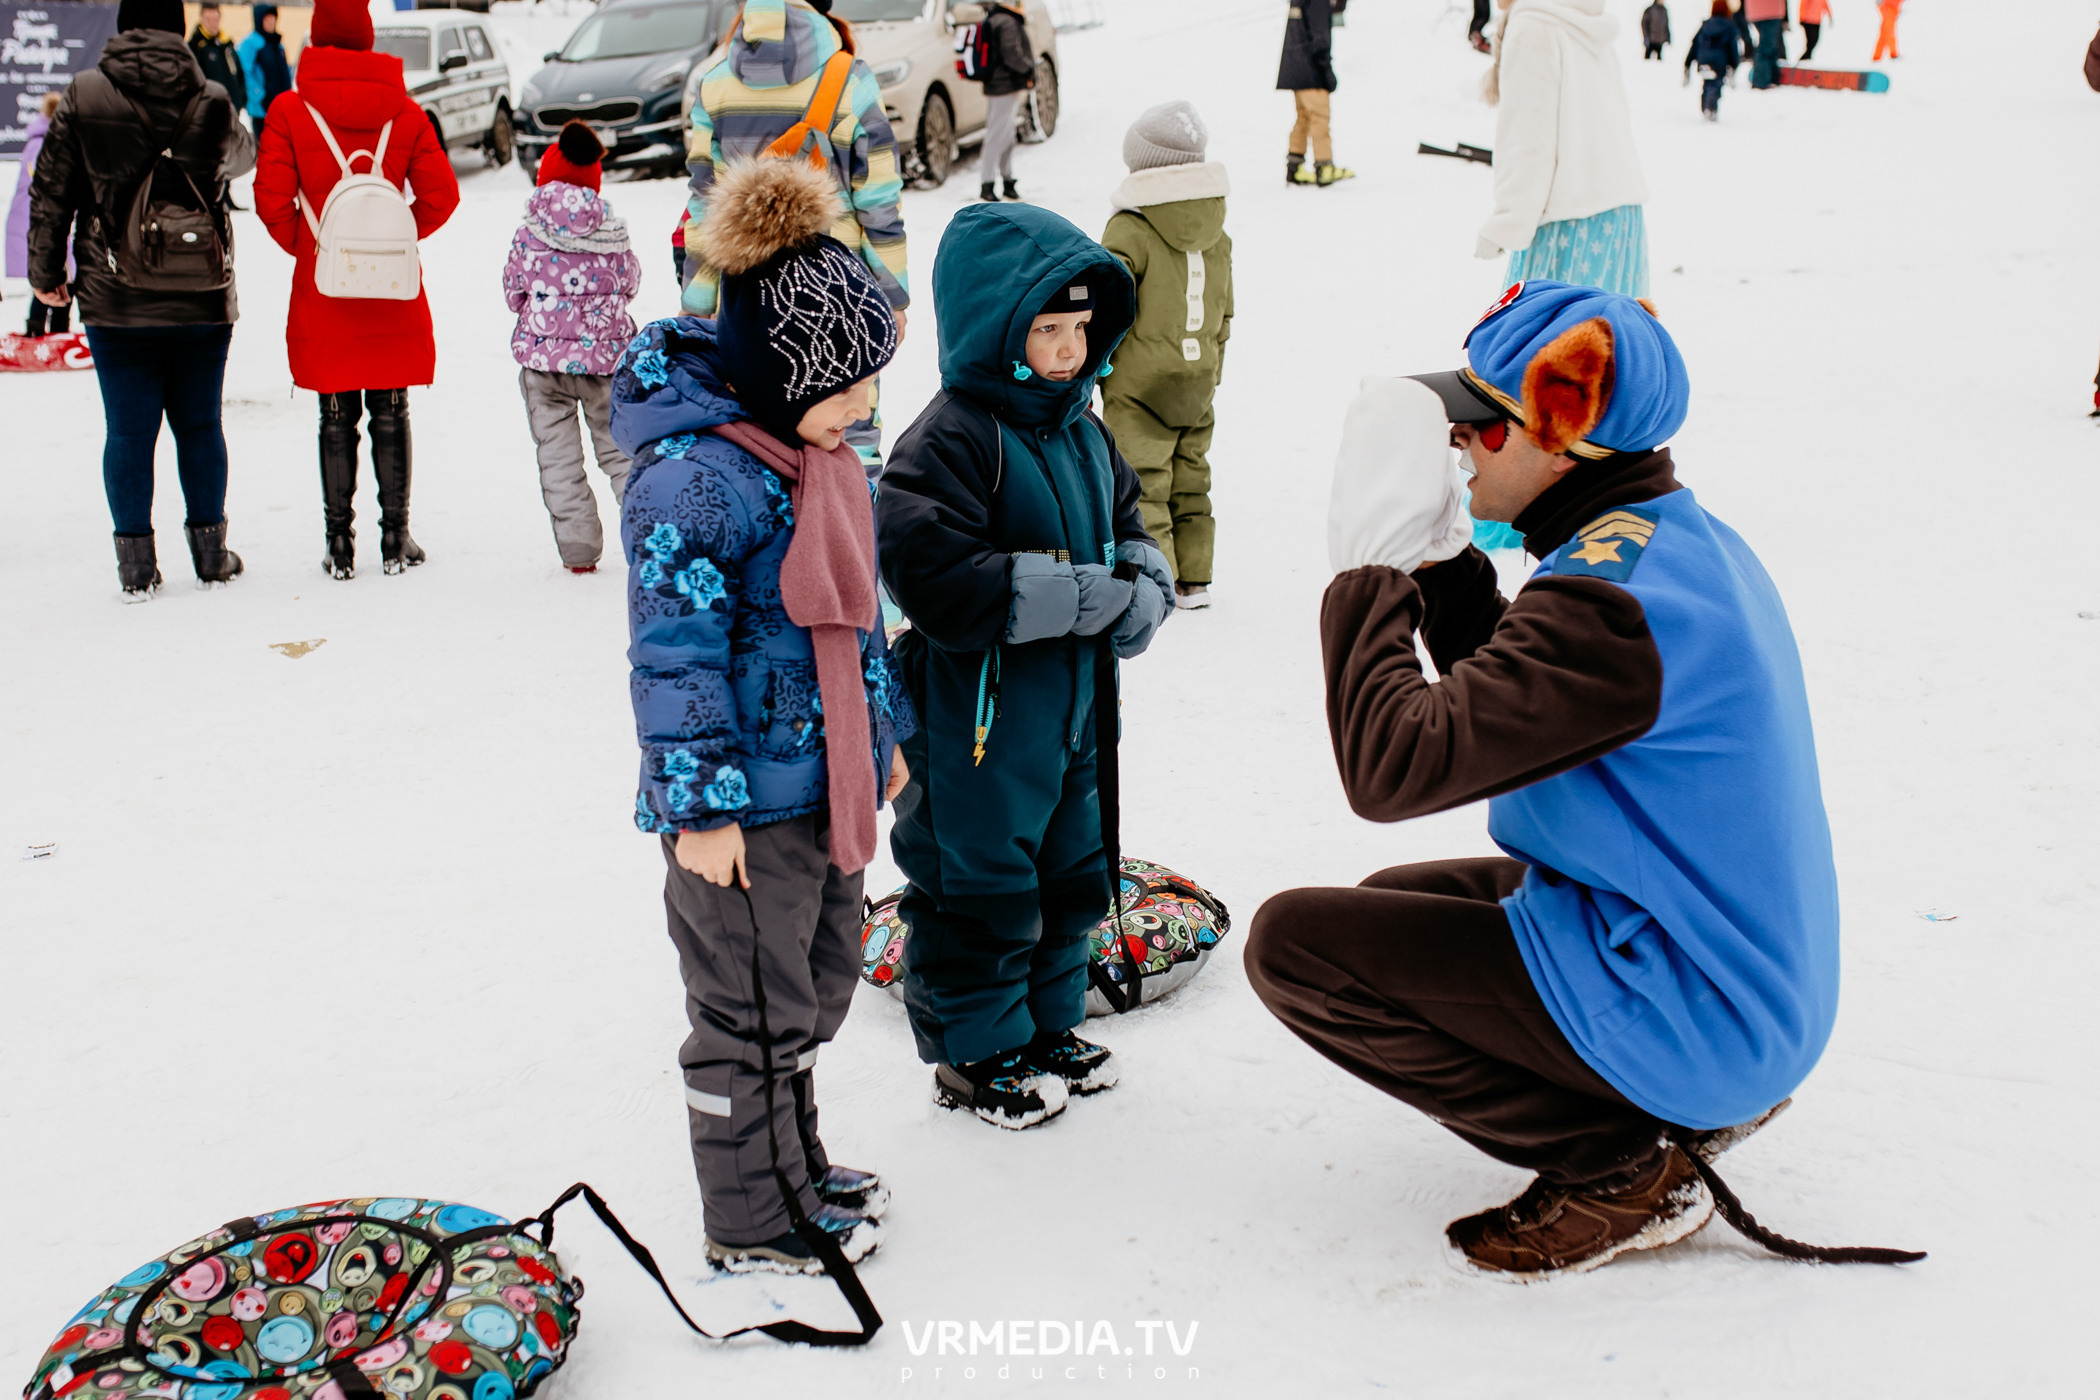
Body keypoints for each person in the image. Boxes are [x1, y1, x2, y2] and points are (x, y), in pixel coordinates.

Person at [1248, 281, 1848, 1279]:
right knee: (1389, 910)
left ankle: (1616, 1161)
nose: (1460, 442)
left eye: (1482, 424)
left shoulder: (1613, 608)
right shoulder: (1659, 543)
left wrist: (1370, 578)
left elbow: (1395, 766)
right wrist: (1442, 562)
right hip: (1732, 963)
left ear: (1562, 442)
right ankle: (1640, 1099)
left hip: (1711, 1006)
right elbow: (1526, 701)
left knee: (1301, 947)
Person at [609, 159, 913, 1274]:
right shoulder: (694, 483)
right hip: (739, 812)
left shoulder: (816, 463)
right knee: (746, 1013)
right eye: (852, 385)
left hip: (822, 781)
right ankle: (748, 1215)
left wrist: (882, 743)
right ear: (786, 377)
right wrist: (699, 810)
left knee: (812, 991)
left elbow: (857, 623)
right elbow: (670, 660)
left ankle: (798, 1167)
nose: (869, 405)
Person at [876, 204, 1175, 1130]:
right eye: (1046, 329)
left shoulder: (1084, 431)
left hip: (1076, 709)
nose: (1067, 349)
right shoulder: (953, 438)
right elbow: (929, 569)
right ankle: (975, 1053)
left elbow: (1130, 527)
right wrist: (1081, 596)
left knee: (1067, 871)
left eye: (1081, 329)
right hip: (979, 720)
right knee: (980, 885)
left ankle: (1045, 1025)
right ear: (994, 330)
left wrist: (1147, 584)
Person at [26, 0, 255, 599]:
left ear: (122, 27)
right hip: (202, 293)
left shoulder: (85, 94)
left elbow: (51, 191)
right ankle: (210, 554)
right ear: (179, 28)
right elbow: (240, 160)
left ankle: (135, 564)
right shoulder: (209, 96)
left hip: (115, 294)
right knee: (201, 423)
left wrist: (46, 272)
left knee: (128, 431)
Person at [253, 0, 459, 580]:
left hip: (325, 287)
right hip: (391, 286)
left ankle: (338, 545)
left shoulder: (290, 110)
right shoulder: (406, 111)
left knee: (335, 414)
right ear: (368, 39)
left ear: (317, 38)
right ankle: (396, 539)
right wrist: (390, 239)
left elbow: (270, 200)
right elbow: (442, 195)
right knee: (391, 410)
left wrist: (321, 247)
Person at [680, 0, 908, 478]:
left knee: (765, 431)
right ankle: (855, 536)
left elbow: (704, 204)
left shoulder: (715, 82)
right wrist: (892, 294)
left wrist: (699, 301)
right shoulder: (849, 78)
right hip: (839, 292)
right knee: (851, 424)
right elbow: (879, 199)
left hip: (746, 298)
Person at [1100, 101, 1233, 609]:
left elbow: (1107, 303)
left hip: (1139, 382)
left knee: (1143, 481)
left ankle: (1158, 578)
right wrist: (1212, 365)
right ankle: (1194, 579)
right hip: (1198, 378)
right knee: (1192, 474)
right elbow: (1226, 311)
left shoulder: (1129, 228)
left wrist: (1095, 368)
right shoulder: (1217, 230)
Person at [504, 122, 642, 575]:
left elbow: (513, 292)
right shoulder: (612, 229)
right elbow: (630, 285)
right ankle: (648, 539)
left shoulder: (529, 231)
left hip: (543, 368)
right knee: (620, 452)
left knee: (558, 459)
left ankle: (579, 552)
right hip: (606, 363)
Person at [1477, 0, 1650, 298]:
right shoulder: (1582, 17)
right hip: (1620, 220)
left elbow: (1528, 138)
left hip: (1569, 227)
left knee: (1549, 341)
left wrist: (1508, 219)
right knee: (1609, 341)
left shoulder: (1533, 26)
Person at [8, 95, 71, 337]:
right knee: (57, 276)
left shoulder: (36, 142)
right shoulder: (52, 143)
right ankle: (51, 329)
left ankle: (45, 327)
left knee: (51, 274)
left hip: (37, 220)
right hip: (49, 219)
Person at [1279, 0, 1353, 186]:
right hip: (1311, 70)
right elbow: (1320, 39)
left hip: (1294, 67)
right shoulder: (1318, 2)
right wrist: (1326, 71)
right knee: (1320, 117)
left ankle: (1294, 167)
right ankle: (1324, 166)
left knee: (1303, 118)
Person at [974, 0, 1036, 204]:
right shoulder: (1007, 21)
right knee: (997, 133)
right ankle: (988, 183)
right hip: (1003, 86)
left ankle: (1007, 179)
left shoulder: (997, 18)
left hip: (1000, 84)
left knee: (1006, 133)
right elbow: (1012, 54)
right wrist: (1028, 68)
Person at [188, 4, 248, 122]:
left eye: (215, 19)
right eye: (208, 20)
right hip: (209, 111)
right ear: (202, 19)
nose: (212, 23)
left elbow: (238, 73)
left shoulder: (227, 44)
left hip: (232, 108)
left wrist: (240, 98)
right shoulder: (197, 46)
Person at [1686, 0, 1744, 119]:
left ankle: (1705, 107)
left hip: (1703, 59)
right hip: (1719, 62)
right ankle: (1710, 108)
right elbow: (1733, 48)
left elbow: (1695, 44)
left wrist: (1688, 62)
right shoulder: (1729, 27)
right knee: (1715, 85)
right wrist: (1734, 64)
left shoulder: (1705, 25)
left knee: (1707, 83)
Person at [237, 4, 293, 128]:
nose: (271, 22)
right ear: (259, 20)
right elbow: (246, 72)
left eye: (273, 19)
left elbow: (285, 70)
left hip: (280, 107)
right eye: (267, 19)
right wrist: (258, 95)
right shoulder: (250, 43)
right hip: (261, 108)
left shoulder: (277, 44)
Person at [1745, 0, 1787, 88]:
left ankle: (1772, 78)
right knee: (1766, 47)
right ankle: (1761, 80)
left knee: (1770, 45)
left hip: (1757, 10)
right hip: (1770, 11)